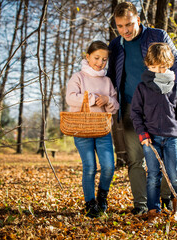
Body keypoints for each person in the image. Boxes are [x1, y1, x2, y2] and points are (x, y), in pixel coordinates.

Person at [107, 1, 177, 215]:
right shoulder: (116, 45)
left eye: (129, 24)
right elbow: (111, 77)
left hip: (159, 109)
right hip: (131, 109)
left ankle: (166, 199)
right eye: (120, 26)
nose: (125, 30)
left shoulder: (157, 35)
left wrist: (174, 97)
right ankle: (141, 206)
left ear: (138, 20)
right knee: (135, 160)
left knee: (163, 159)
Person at [130, 42, 177, 219]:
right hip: (151, 138)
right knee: (153, 176)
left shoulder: (176, 88)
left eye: (162, 67)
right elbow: (135, 113)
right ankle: (153, 210)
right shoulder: (142, 88)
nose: (159, 71)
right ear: (148, 65)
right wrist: (143, 134)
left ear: (169, 64)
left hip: (172, 138)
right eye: (154, 67)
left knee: (175, 174)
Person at [66, 41, 119, 218]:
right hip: (82, 130)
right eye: (96, 58)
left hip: (103, 130)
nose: (100, 62)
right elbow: (71, 98)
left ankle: (102, 197)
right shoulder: (78, 77)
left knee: (109, 167)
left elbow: (115, 106)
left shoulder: (107, 81)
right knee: (89, 167)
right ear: (87, 57)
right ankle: (90, 204)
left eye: (104, 59)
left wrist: (107, 101)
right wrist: (92, 98)